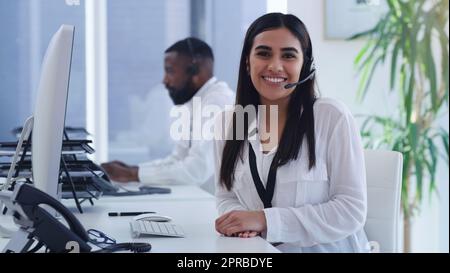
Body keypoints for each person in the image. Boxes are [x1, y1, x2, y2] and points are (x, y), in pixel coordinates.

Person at [214, 13, 369, 252]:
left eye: (288, 55)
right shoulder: (228, 123)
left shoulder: (331, 117)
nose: (275, 65)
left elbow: (351, 210)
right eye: (263, 53)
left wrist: (265, 220)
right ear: (247, 62)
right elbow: (226, 197)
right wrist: (240, 222)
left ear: (304, 65)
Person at [102, 38, 234, 194]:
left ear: (194, 70)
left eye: (170, 71)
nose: (164, 80)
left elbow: (196, 171)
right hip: (203, 201)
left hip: (222, 210)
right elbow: (178, 158)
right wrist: (132, 170)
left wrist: (133, 174)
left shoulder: (217, 102)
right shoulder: (195, 102)